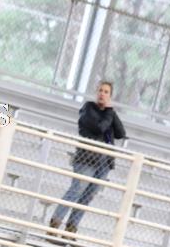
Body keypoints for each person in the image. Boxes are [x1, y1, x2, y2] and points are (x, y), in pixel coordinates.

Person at [49, 81, 127, 235]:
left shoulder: (109, 113)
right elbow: (99, 128)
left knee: (88, 195)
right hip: (87, 158)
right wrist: (109, 112)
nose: (102, 94)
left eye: (106, 92)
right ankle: (55, 224)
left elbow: (120, 133)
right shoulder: (88, 109)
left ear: (110, 96)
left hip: (104, 162)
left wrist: (111, 111)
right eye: (100, 90)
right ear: (96, 92)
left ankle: (71, 228)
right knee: (77, 190)